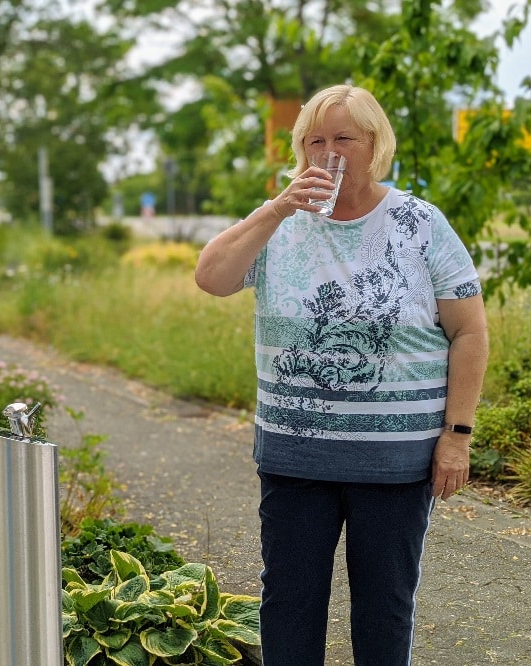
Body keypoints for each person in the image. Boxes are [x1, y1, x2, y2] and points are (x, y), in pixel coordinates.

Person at [194, 84, 488, 666]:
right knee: (289, 603)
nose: (328, 150)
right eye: (314, 139)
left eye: (343, 138)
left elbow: (470, 332)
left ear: (373, 144)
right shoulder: (281, 222)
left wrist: (456, 438)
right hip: (297, 458)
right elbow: (212, 277)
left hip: (394, 462)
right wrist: (276, 208)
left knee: (384, 610)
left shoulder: (418, 223)